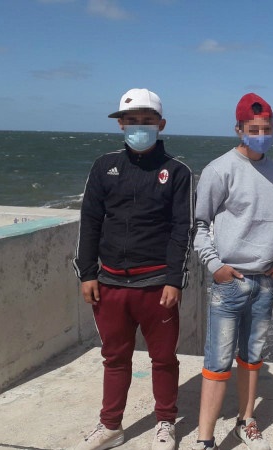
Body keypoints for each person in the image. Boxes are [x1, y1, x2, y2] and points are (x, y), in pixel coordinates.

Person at [72, 88, 193, 450]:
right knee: (114, 358)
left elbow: (182, 230)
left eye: (147, 121)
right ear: (121, 124)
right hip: (109, 283)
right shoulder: (103, 166)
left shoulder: (177, 171)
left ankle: (165, 423)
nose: (139, 127)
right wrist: (87, 273)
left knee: (163, 359)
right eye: (132, 121)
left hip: (157, 285)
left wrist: (174, 280)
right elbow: (90, 221)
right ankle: (111, 426)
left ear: (161, 124)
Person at [192, 93, 273, 450]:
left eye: (267, 129)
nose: (261, 135)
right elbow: (199, 225)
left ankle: (245, 421)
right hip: (229, 283)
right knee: (217, 361)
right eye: (254, 129)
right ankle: (205, 438)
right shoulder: (219, 169)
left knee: (252, 357)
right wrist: (215, 266)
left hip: (266, 281)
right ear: (239, 129)